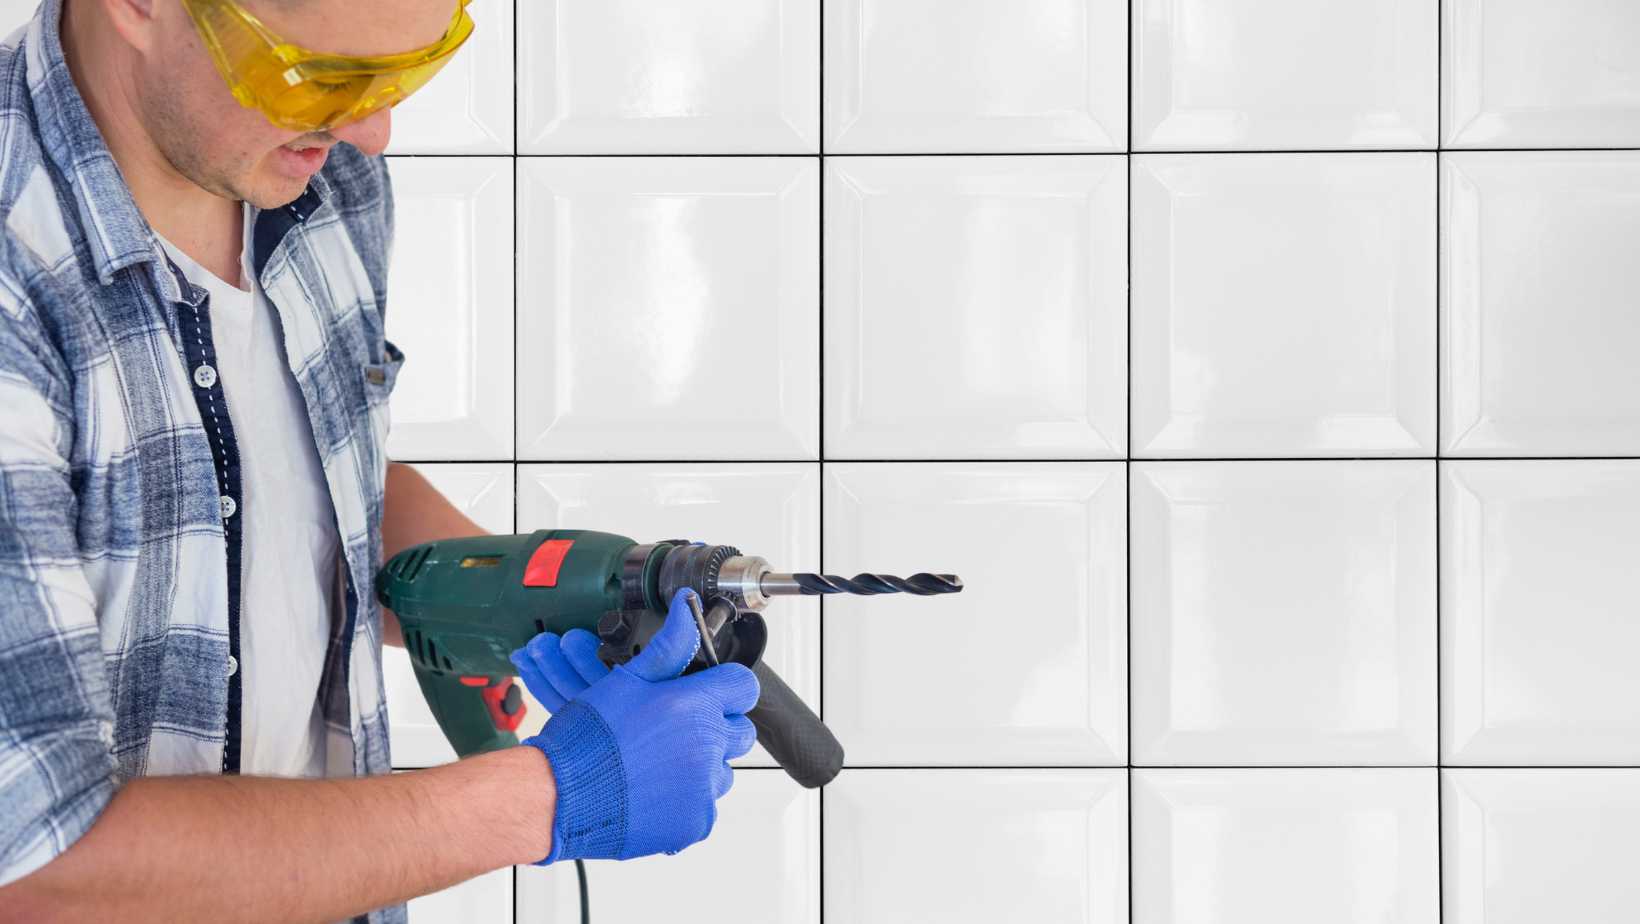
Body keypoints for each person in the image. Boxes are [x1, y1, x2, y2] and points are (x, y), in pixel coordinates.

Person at [0, 1, 757, 920]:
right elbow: (39, 869)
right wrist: (551, 797)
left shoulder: (320, 182)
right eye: (319, 74)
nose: (371, 129)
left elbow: (298, 474)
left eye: (405, 72)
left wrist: (555, 602)